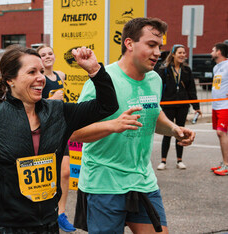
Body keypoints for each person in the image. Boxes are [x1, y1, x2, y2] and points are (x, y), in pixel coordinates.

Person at [0, 44, 119, 233]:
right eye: (32, 72)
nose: (41, 78)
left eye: (41, 71)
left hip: (48, 222)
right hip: (4, 225)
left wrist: (94, 70)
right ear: (10, 80)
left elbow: (107, 106)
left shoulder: (59, 112)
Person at [70, 17, 195, 233]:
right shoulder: (102, 80)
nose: (158, 53)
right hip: (104, 183)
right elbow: (75, 132)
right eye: (151, 45)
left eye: (160, 47)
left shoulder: (154, 79)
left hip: (142, 180)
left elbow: (153, 115)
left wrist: (175, 130)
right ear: (129, 44)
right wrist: (113, 125)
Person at [36, 44, 76, 232]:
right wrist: (52, 100)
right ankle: (42, 213)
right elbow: (33, 104)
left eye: (50, 53)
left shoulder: (61, 75)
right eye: (43, 55)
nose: (47, 56)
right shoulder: (39, 79)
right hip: (43, 131)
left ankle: (61, 213)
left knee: (65, 172)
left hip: (60, 128)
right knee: (45, 175)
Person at [157, 44, 201, 170]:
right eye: (180, 53)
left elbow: (191, 89)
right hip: (168, 105)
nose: (182, 55)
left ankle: (179, 160)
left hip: (182, 105)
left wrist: (196, 107)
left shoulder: (186, 70)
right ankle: (163, 161)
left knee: (181, 132)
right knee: (168, 131)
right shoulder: (164, 69)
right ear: (173, 54)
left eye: (184, 53)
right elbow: (158, 87)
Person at [210, 43, 228, 175]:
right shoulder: (216, 67)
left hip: (225, 106)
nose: (211, 52)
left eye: (213, 50)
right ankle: (224, 162)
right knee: (221, 134)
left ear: (219, 52)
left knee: (221, 133)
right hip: (216, 105)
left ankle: (226, 165)